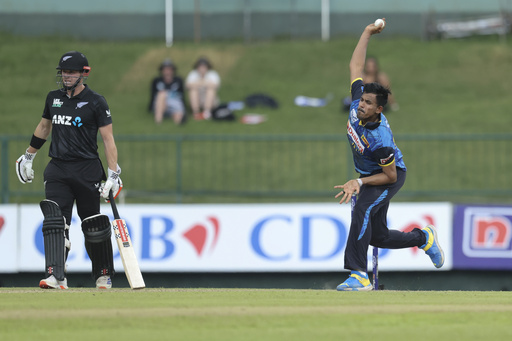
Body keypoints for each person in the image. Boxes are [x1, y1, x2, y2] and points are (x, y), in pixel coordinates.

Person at [333, 20, 444, 291]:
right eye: (361, 100)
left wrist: (358, 183)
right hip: (373, 174)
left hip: (389, 176)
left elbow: (389, 175)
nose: (361, 105)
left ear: (379, 110)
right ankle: (423, 238)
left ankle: (358, 275)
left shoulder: (380, 138)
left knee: (362, 208)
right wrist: (367, 32)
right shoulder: (359, 101)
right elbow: (355, 67)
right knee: (378, 236)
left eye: (368, 104)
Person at [15, 51, 122, 290]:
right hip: (58, 169)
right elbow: (44, 127)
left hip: (87, 170)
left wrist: (113, 174)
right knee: (55, 221)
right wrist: (29, 156)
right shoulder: (53, 98)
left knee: (92, 224)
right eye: (63, 72)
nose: (66, 76)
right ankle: (56, 276)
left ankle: (103, 275)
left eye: (72, 72)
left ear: (84, 73)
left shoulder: (96, 101)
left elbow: (108, 140)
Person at [149, 59, 185, 125]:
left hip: (175, 101)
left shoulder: (178, 80)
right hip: (161, 103)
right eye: (165, 69)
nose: (167, 72)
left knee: (178, 118)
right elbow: (153, 95)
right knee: (161, 94)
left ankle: (178, 128)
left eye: (169, 69)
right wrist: (150, 107)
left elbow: (182, 95)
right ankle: (158, 121)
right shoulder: (157, 81)